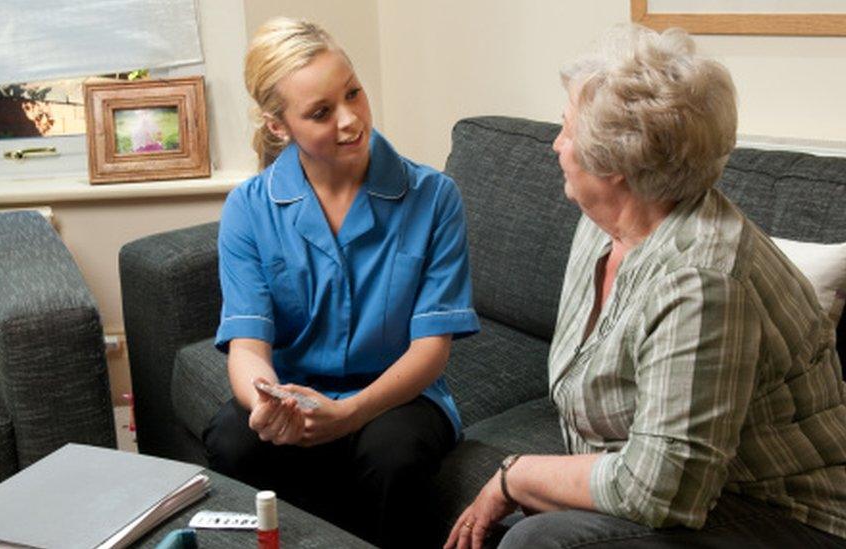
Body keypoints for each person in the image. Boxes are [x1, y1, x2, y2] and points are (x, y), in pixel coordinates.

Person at [446, 24, 846, 549]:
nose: (556, 143)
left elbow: (664, 491)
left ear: (613, 165)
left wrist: (516, 474)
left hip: (781, 514)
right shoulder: (601, 225)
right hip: (686, 482)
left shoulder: (701, 282)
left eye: (566, 129)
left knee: (536, 542)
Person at [203, 17, 479, 548]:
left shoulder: (435, 198)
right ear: (279, 126)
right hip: (296, 397)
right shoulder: (248, 208)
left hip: (399, 397)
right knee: (233, 440)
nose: (351, 120)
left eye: (353, 92)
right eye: (321, 112)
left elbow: (432, 350)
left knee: (393, 453)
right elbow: (247, 347)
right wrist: (268, 405)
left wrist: (350, 413)